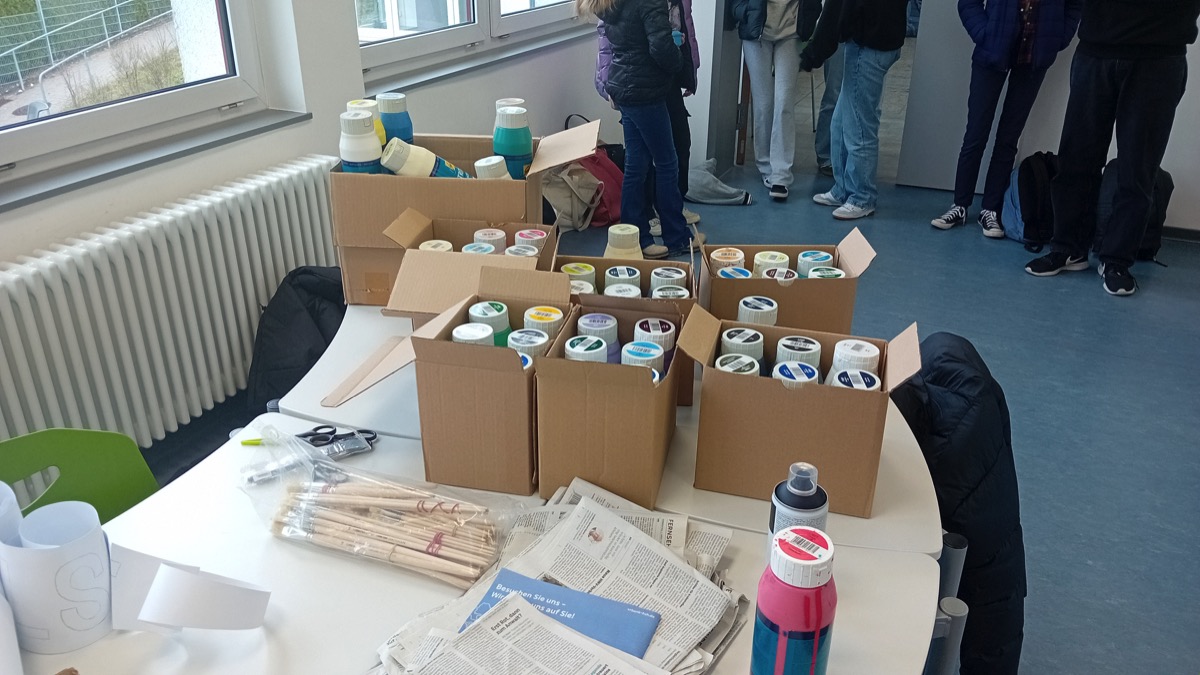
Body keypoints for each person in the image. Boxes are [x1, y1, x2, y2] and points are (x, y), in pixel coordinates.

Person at [1025, 0, 1198, 296]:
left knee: (1137, 169)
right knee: (1076, 159)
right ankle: (1068, 248)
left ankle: (1117, 261)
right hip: (1096, 48)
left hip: (1159, 56)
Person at [931, 0, 1082, 238]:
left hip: (1033, 58)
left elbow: (1075, 6)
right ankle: (960, 205)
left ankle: (990, 209)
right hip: (991, 53)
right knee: (976, 134)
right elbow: (968, 3)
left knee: (1008, 139)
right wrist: (984, 33)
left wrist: (1057, 39)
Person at [581, 0, 704, 259]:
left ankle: (634, 239)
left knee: (636, 165)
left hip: (624, 87)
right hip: (646, 90)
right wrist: (678, 59)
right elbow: (660, 48)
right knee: (667, 163)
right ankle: (677, 237)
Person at [800, 0, 908, 220]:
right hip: (881, 38)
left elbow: (837, 8)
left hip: (868, 44)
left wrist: (813, 54)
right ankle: (843, 189)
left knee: (859, 128)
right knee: (840, 123)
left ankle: (862, 197)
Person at [730, 0, 806, 201]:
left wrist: (810, 17)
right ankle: (766, 166)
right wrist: (745, 12)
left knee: (784, 102)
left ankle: (781, 174)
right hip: (756, 30)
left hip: (792, 31)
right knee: (763, 104)